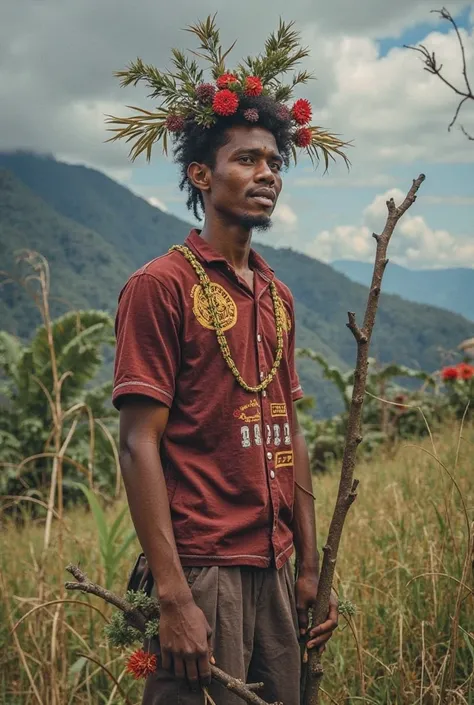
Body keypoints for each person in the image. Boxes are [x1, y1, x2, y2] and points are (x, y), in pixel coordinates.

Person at [111, 18, 346, 705]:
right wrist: (177, 596)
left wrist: (307, 565)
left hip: (274, 567)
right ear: (200, 173)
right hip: (203, 567)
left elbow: (290, 432)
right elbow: (137, 443)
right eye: (246, 159)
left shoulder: (277, 293)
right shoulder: (163, 285)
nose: (266, 174)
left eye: (274, 162)